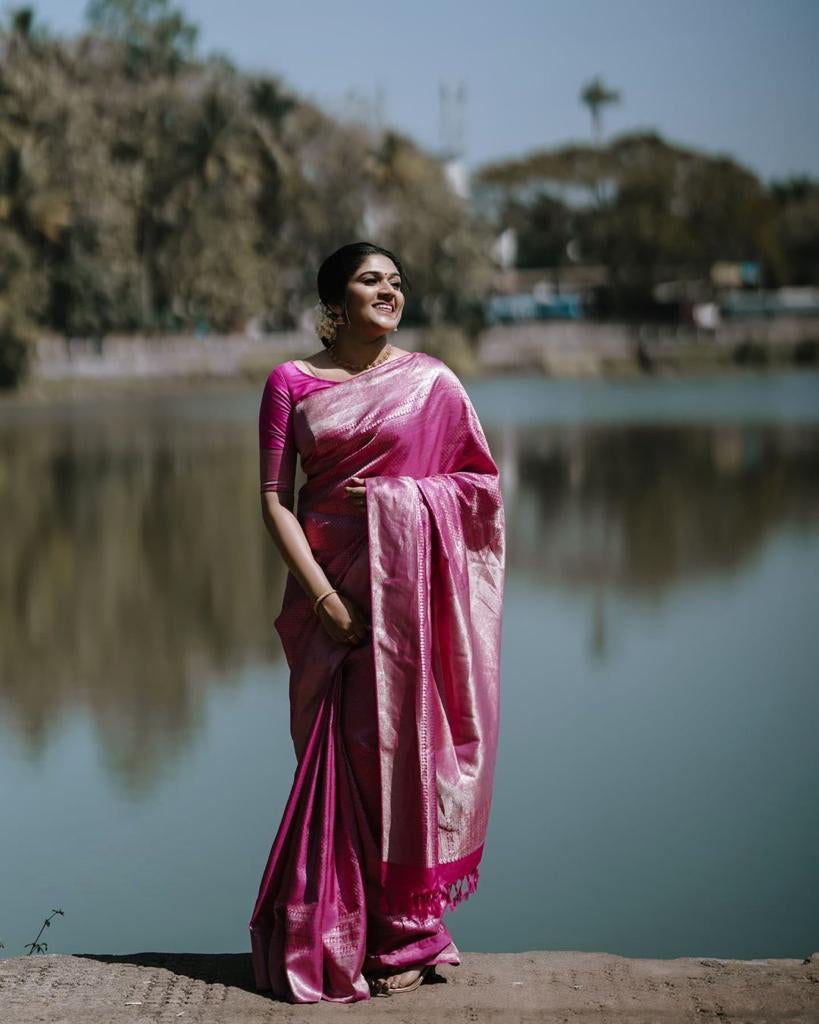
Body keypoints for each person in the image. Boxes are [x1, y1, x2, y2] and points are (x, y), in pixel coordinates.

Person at [248, 242, 506, 1003]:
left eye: (397, 280)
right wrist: (324, 600)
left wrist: (404, 504)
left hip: (407, 604)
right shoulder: (290, 382)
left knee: (402, 759)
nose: (388, 291)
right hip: (329, 599)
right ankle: (335, 933)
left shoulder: (431, 382)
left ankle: (403, 935)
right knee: (343, 760)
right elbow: (272, 499)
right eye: (370, 281)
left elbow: (479, 488)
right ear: (335, 301)